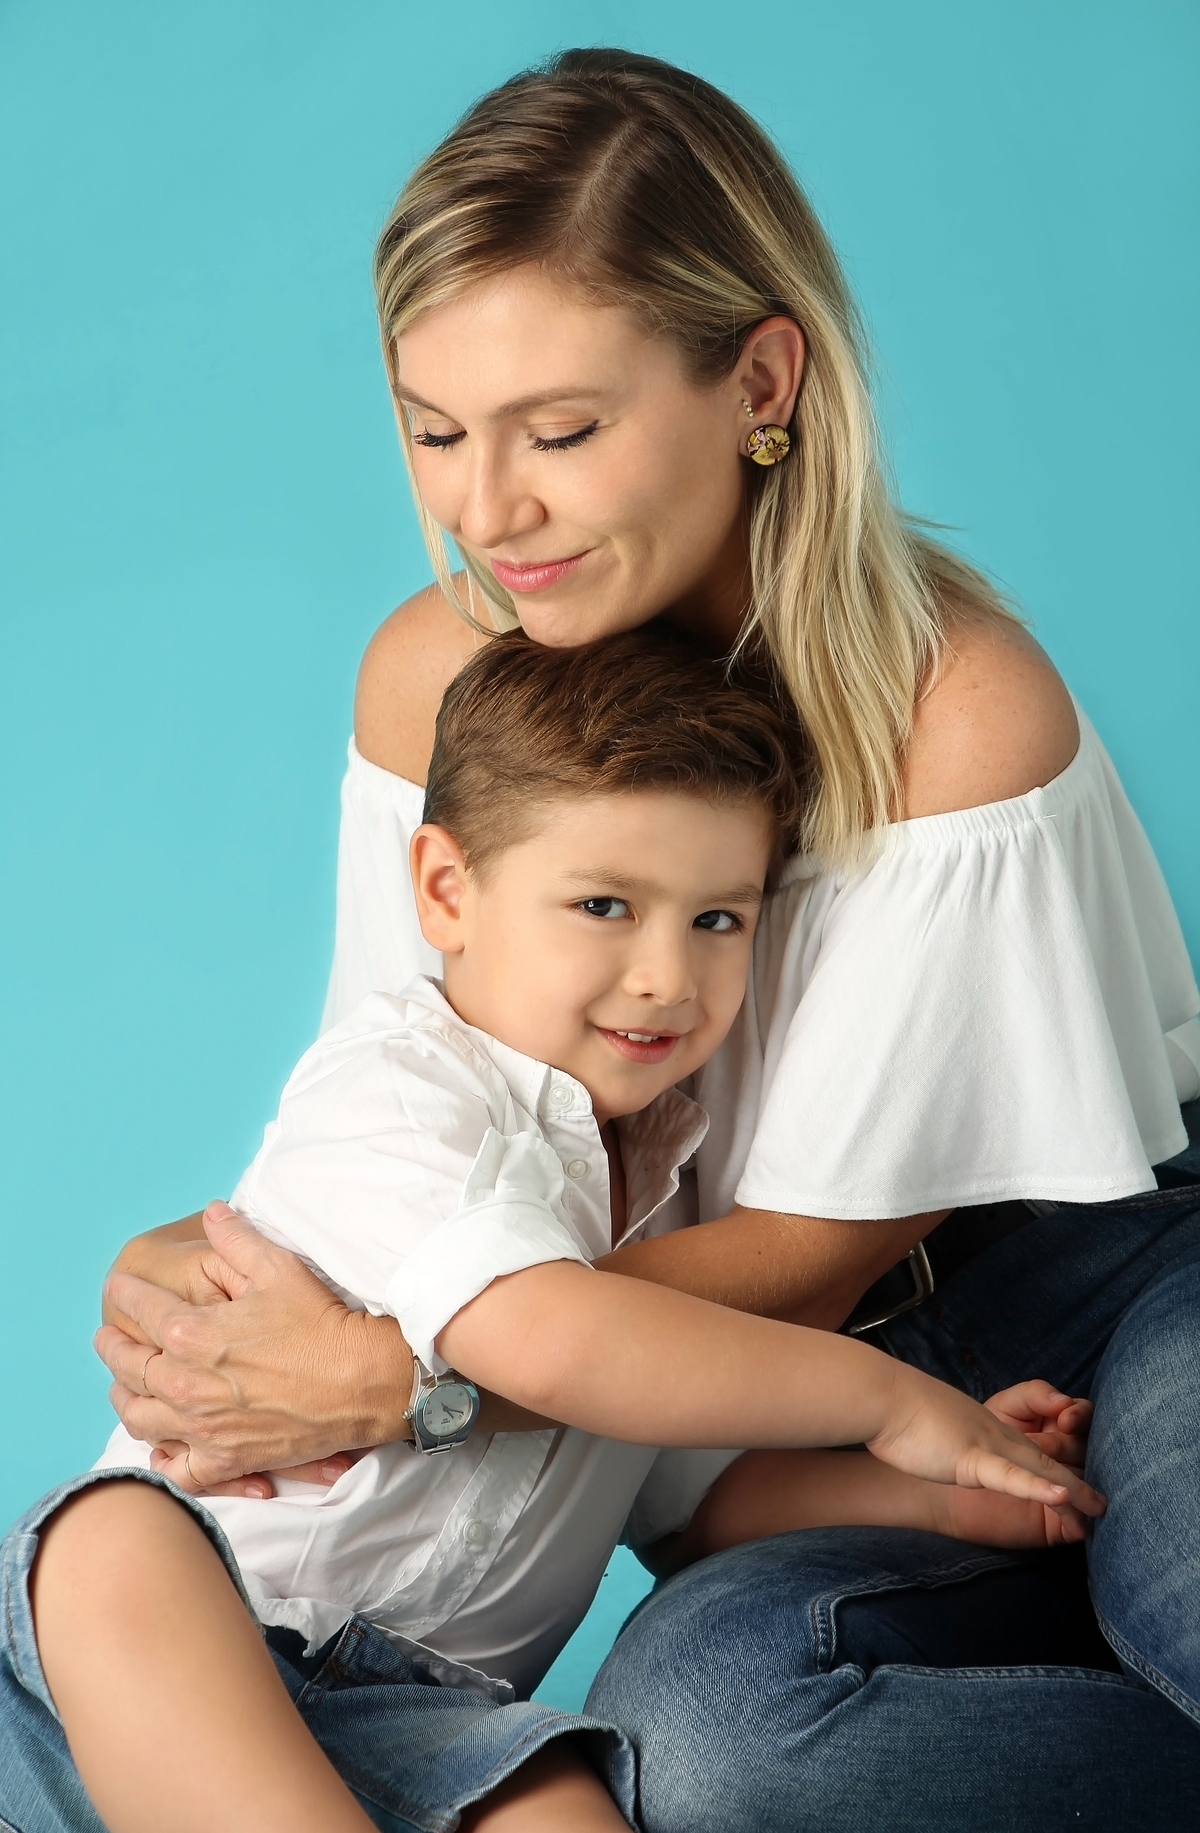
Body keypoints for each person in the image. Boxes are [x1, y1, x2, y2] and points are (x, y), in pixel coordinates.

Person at [88, 47, 1200, 1830]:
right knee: (703, 1750)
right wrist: (194, 1292)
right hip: (684, 1414)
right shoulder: (434, 687)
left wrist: (405, 1368)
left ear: (761, 381)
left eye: (561, 431)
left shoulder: (957, 710)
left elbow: (805, 1262)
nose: (487, 510)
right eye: (436, 429)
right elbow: (417, 1104)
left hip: (1079, 1289)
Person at [2, 628, 1101, 1833]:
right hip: (152, 1666)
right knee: (114, 1544)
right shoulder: (399, 1091)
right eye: (604, 905)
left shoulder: (659, 1191)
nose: (667, 975)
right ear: (446, 891)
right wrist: (892, 1401)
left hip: (429, 1720)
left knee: (555, 1800)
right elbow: (553, 1343)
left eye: (718, 919)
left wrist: (944, 1491)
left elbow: (693, 1502)